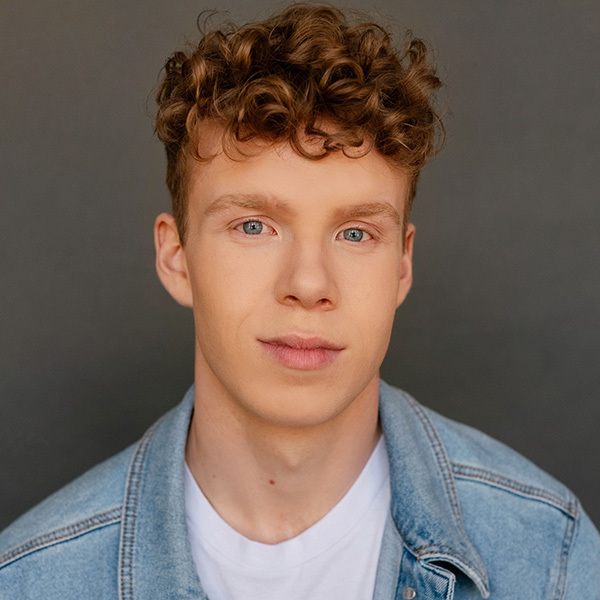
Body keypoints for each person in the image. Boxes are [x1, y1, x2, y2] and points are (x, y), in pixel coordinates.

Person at [0, 3, 598, 598]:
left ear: (402, 265)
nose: (309, 284)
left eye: (356, 233)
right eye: (254, 226)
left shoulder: (553, 557)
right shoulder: (31, 581)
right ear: (175, 256)